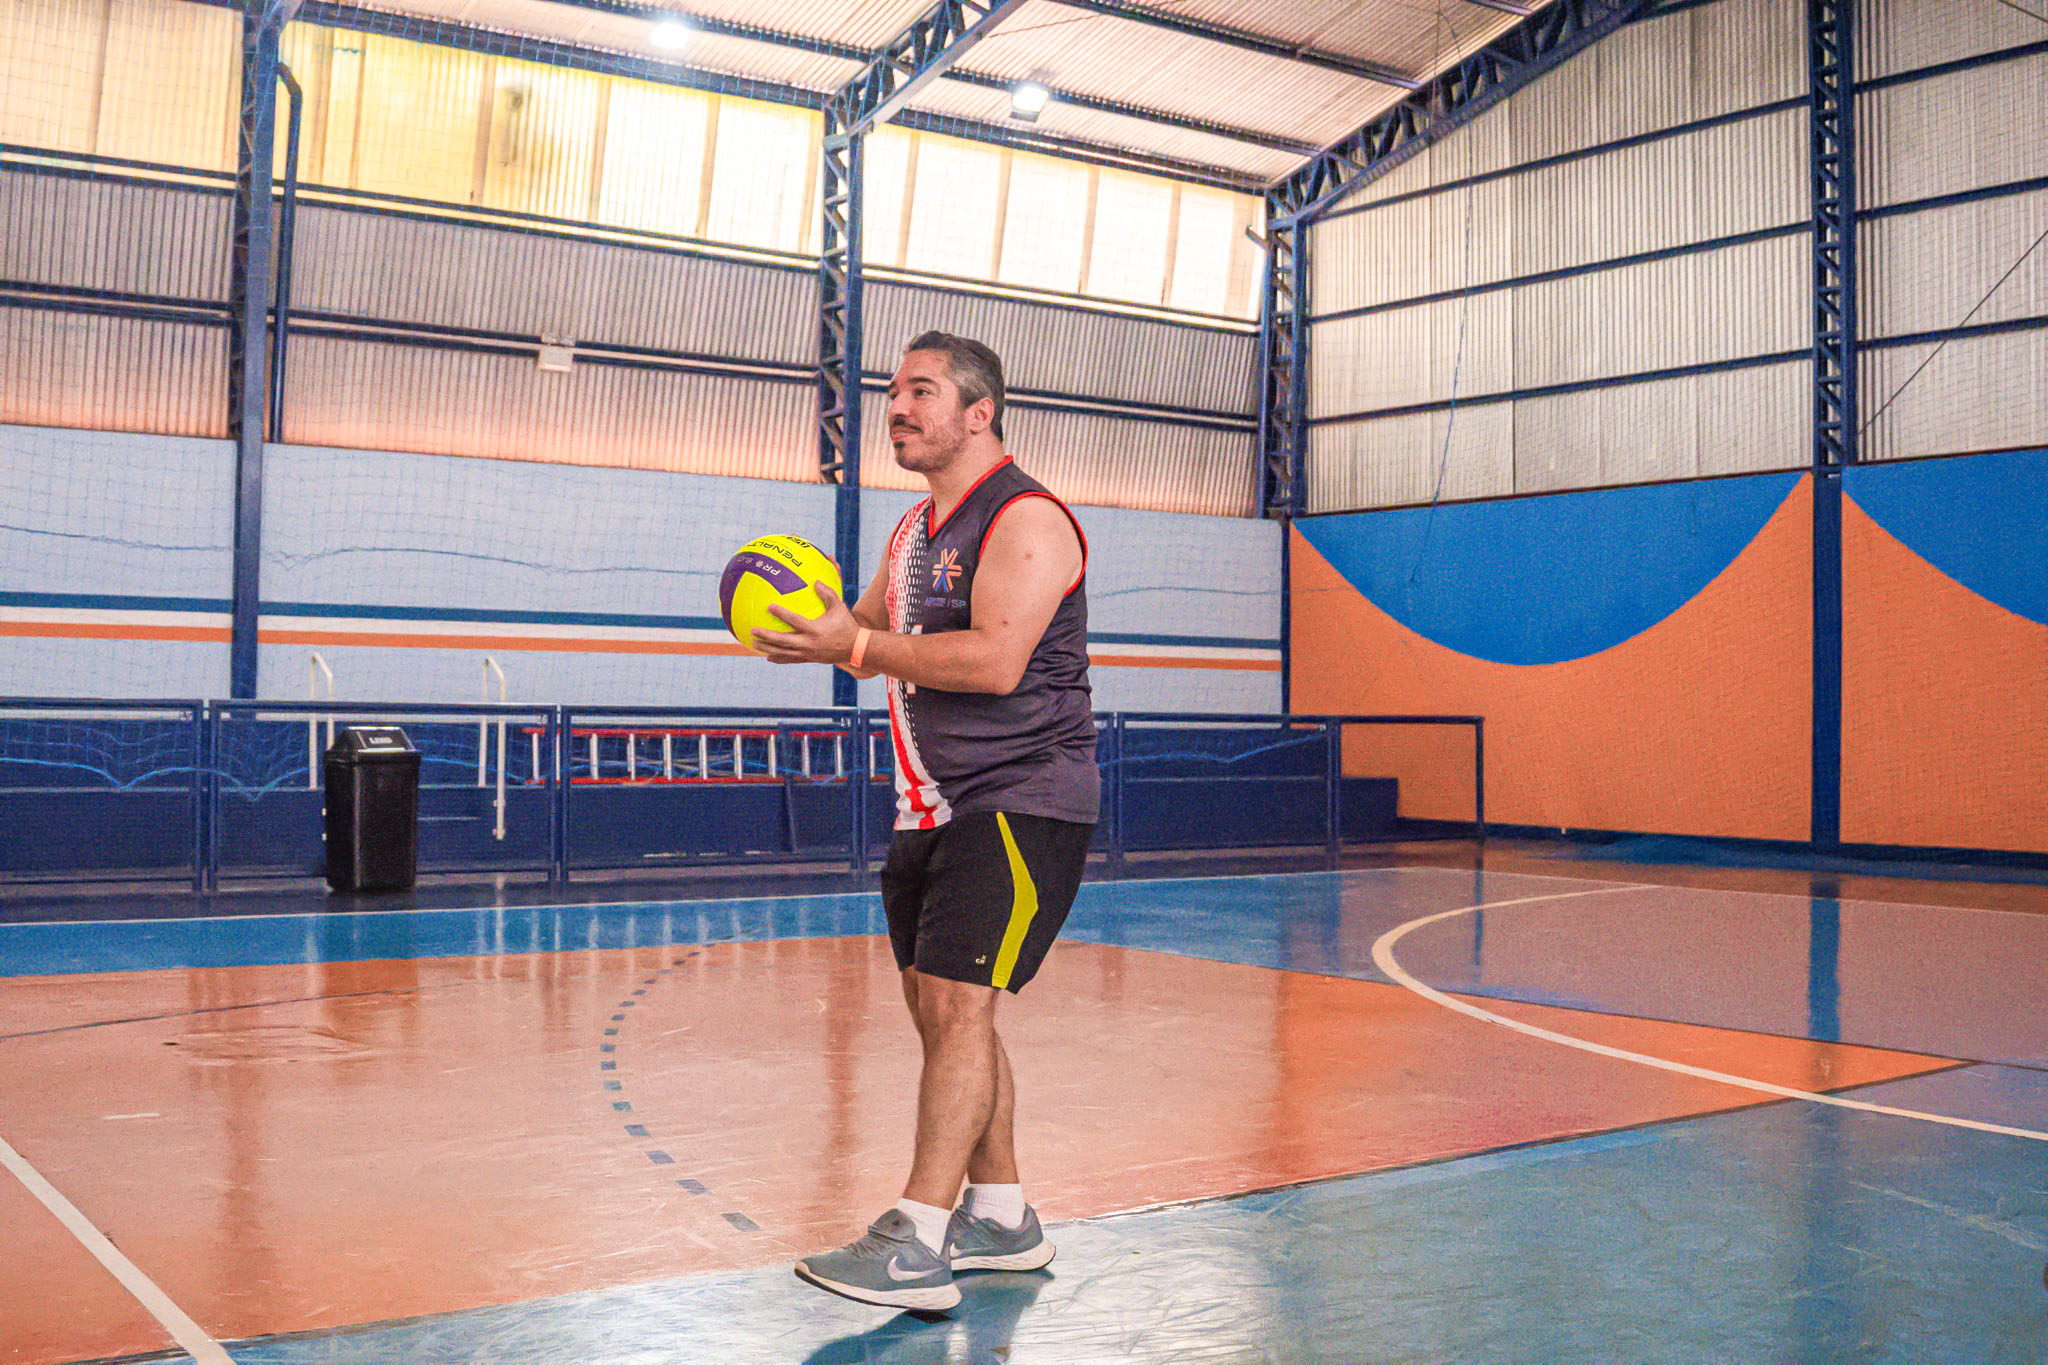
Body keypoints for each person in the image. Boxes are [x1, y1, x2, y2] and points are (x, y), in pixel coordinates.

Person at [752, 330, 1097, 1312]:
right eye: (893, 393)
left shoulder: (1025, 520)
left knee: (956, 1008)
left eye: (921, 391)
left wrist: (857, 645)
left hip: (1021, 796)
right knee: (946, 1014)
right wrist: (811, 628)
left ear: (979, 412)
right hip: (929, 807)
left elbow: (993, 660)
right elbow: (866, 631)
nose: (897, 408)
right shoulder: (912, 532)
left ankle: (916, 1239)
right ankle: (1002, 1218)